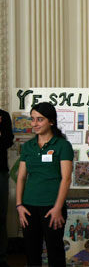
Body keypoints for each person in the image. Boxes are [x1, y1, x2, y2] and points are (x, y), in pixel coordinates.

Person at [16, 102, 73, 266]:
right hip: (28, 207)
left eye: (40, 119)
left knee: (55, 252)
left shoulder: (62, 145)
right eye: (33, 119)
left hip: (52, 207)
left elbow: (66, 178)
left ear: (51, 121)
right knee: (32, 252)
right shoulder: (28, 146)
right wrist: (19, 205)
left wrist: (57, 208)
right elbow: (21, 178)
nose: (35, 124)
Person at [0, 109, 13, 267]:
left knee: (0, 217)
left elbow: (7, 141)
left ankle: (1, 258)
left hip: (0, 171)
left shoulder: (3, 115)